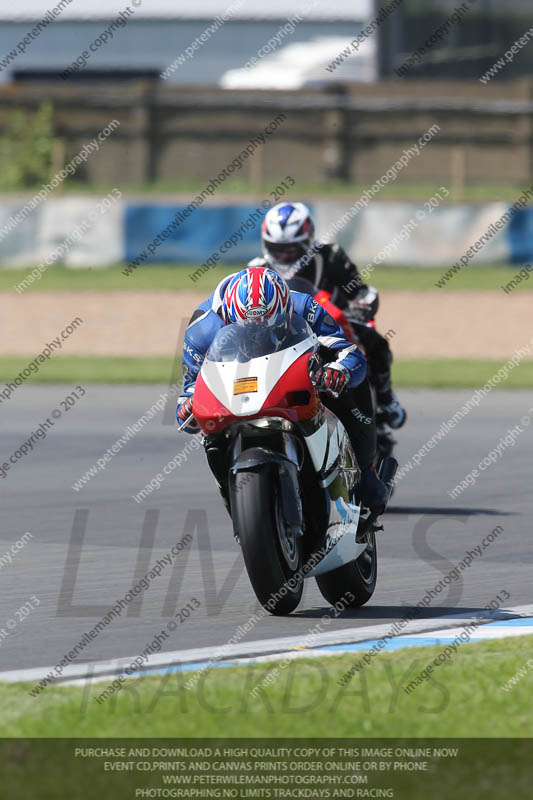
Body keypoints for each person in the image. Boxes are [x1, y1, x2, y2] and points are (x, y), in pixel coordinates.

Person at [177, 265, 388, 512]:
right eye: (248, 331)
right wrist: (189, 406)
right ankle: (232, 495)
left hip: (291, 372)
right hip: (236, 385)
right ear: (229, 318)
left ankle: (365, 469)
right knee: (209, 434)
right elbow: (190, 387)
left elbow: (351, 354)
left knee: (347, 388)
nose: (257, 336)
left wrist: (338, 370)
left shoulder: (304, 306)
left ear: (286, 310)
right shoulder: (201, 329)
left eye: (269, 327)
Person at [255, 201, 406, 429]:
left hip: (335, 326)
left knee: (376, 343)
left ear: (307, 240)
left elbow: (360, 291)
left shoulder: (330, 255)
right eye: (278, 249)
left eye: (292, 249)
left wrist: (359, 305)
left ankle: (385, 400)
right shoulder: (257, 268)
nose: (285, 256)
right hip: (285, 334)